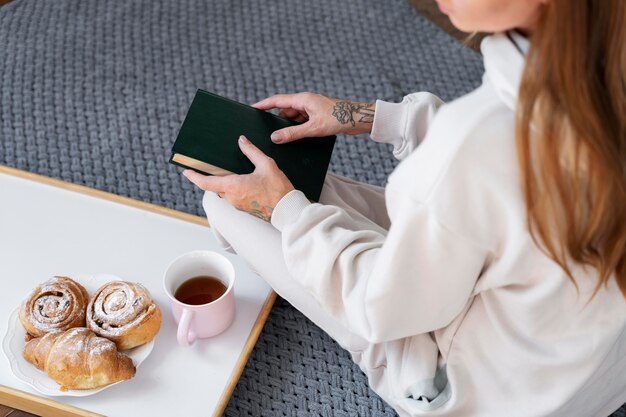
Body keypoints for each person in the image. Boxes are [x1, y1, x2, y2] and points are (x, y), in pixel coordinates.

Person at [182, 0, 626, 415]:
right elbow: (504, 159)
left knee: (228, 202)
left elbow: (379, 309)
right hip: (592, 378)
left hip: (463, 391)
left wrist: (282, 208)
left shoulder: (470, 148)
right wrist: (368, 116)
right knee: (291, 195)